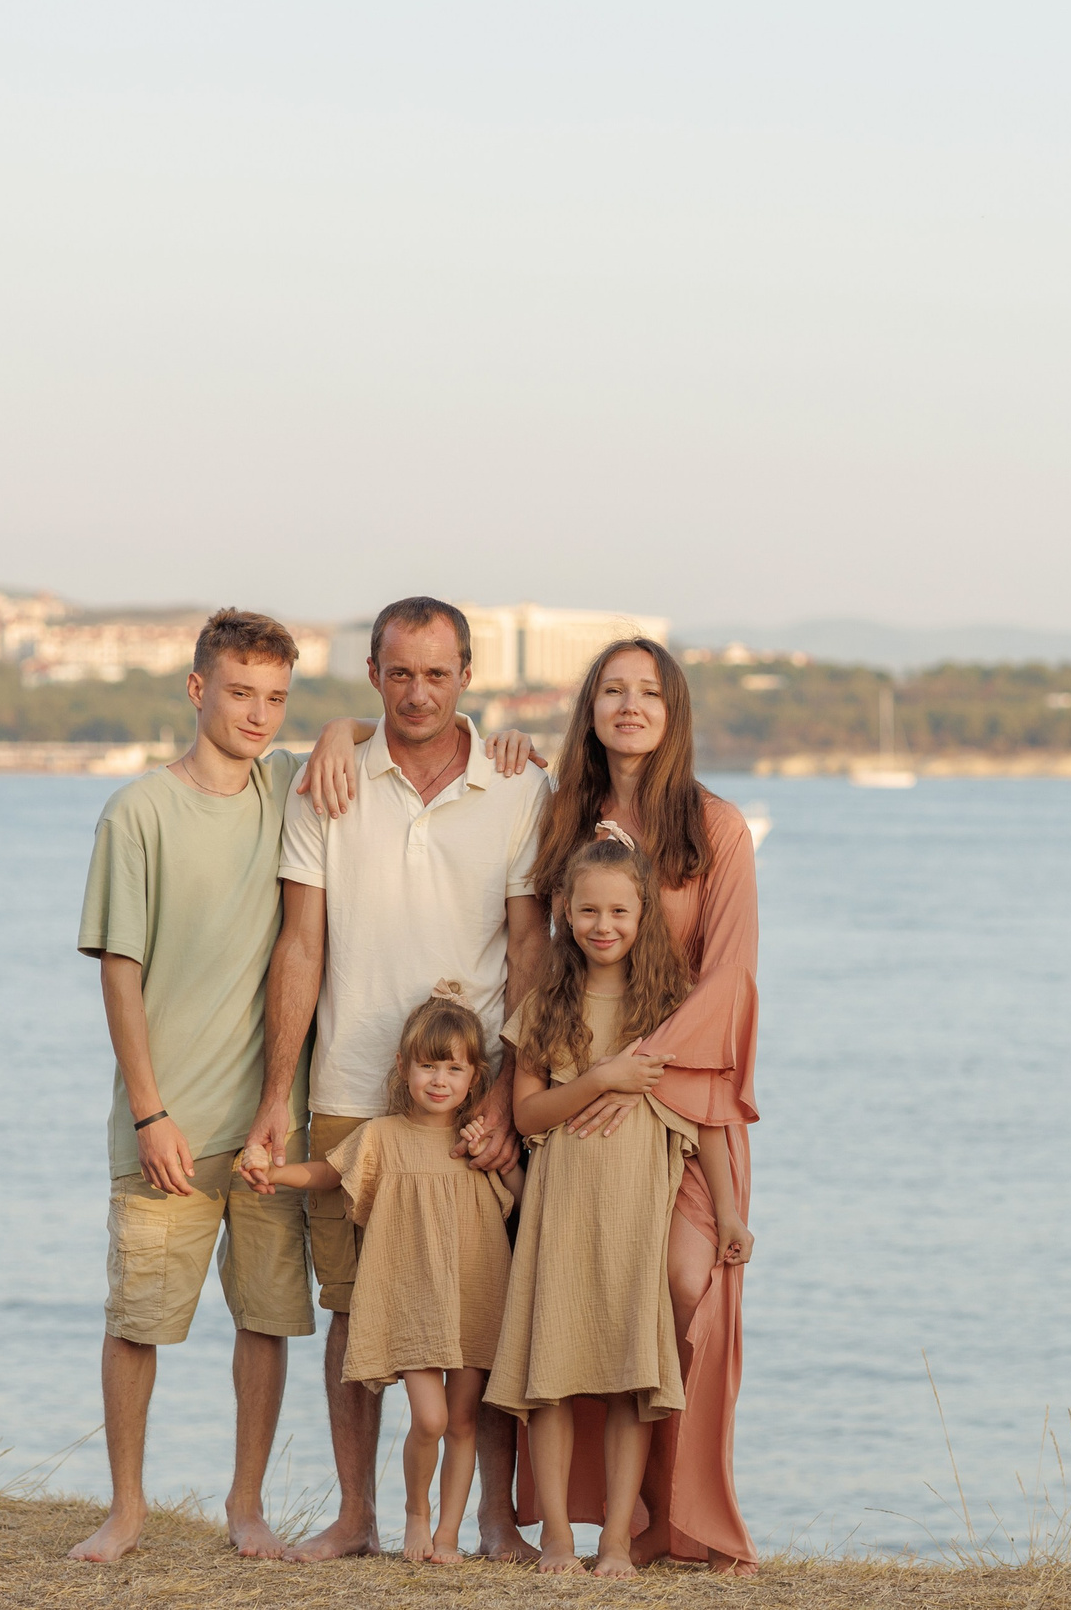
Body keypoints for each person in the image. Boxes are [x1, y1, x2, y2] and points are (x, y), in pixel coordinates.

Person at [248, 595, 551, 1563]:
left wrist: (506, 1091)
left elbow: (531, 951)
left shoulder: (518, 786)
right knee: (353, 1311)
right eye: (401, 673)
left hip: (475, 1096)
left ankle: (493, 1518)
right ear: (373, 674)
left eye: (437, 673)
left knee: (482, 1315)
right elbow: (300, 946)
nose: (418, 693)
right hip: (349, 1088)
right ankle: (357, 1514)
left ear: (467, 676)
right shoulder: (326, 782)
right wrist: (276, 1097)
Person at [67, 609, 314, 1565]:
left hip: (267, 1132)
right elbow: (118, 972)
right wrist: (150, 1110)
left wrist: (340, 731)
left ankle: (246, 1506)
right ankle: (126, 1509)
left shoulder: (286, 786)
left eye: (277, 699)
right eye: (241, 692)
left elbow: (376, 735)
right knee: (138, 1321)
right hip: (167, 1126)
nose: (258, 714)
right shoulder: (138, 812)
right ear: (197, 688)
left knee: (266, 1319)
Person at [523, 637, 762, 1573]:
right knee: (577, 1298)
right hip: (583, 1095)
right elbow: (534, 949)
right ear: (589, 707)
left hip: (683, 1090)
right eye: (612, 690)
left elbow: (730, 976)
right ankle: (595, 1521)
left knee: (683, 1282)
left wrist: (638, 1067)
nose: (630, 705)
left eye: (649, 692)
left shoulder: (717, 827)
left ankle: (673, 1515)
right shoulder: (561, 813)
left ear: (674, 711)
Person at [484, 834, 745, 1578]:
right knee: (552, 1376)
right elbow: (527, 1114)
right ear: (565, 912)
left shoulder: (669, 1008)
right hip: (561, 1214)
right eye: (589, 910)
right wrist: (603, 1077)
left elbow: (707, 1118)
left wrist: (729, 1213)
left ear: (643, 914)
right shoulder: (547, 1004)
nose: (604, 925)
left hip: (637, 1218)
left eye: (620, 911)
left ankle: (618, 1543)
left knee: (634, 1380)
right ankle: (559, 1539)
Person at [239, 985, 522, 1564]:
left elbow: (519, 1198)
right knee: (431, 1418)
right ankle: (415, 1514)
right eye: (428, 1066)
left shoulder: (474, 1144)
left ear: (476, 1077)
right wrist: (278, 1173)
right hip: (413, 1301)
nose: (439, 1080)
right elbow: (328, 1173)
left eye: (454, 1069)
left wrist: (496, 1154)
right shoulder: (382, 1136)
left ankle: (448, 1536)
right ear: (402, 1067)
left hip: (475, 1295)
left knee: (463, 1421)